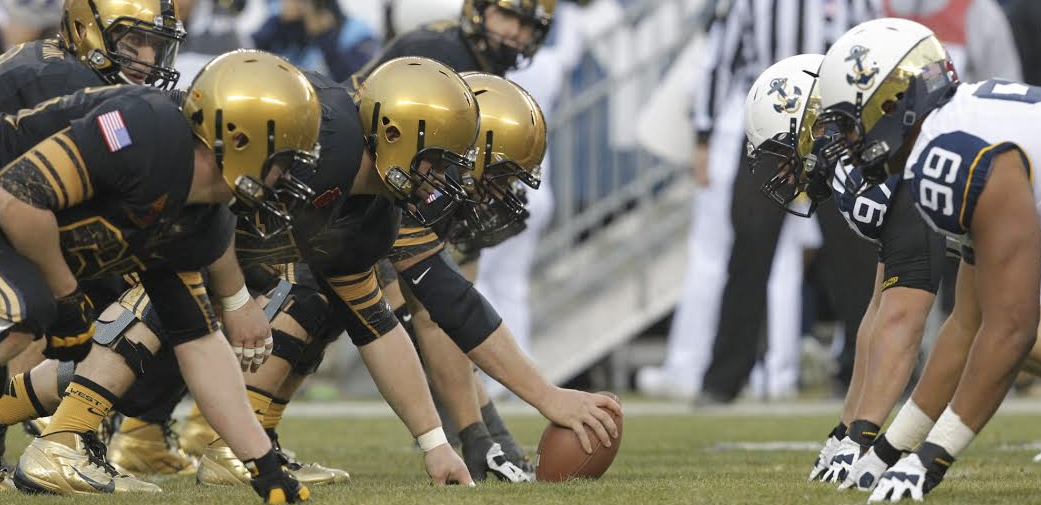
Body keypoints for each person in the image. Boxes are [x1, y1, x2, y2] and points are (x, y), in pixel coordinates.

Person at [3, 49, 321, 503]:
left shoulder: (204, 216)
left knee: (46, 310)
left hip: (24, 234)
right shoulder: (144, 129)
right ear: (240, 139)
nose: (287, 178)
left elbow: (201, 344)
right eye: (285, 162)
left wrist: (263, 466)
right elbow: (17, 200)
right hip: (10, 208)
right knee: (25, 310)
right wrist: (67, 298)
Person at [813, 18, 1040, 501]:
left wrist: (933, 458)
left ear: (892, 101)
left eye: (852, 124)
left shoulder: (946, 152)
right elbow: (966, 325)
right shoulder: (952, 129)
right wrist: (890, 451)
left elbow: (1011, 328)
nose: (849, 144)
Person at [651, 0, 878, 405]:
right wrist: (703, 135)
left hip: (833, 131)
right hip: (769, 131)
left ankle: (869, 371)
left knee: (853, 253)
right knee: (749, 255)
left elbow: (871, 54)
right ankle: (724, 378)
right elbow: (721, 60)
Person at [0, 0, 193, 475]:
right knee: (46, 305)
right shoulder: (63, 83)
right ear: (88, 32)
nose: (148, 59)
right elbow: (30, 209)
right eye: (134, 42)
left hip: (17, 214)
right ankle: (66, 434)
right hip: (15, 216)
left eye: (156, 45)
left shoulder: (66, 70)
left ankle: (74, 430)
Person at [740, 53, 948, 488]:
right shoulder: (853, 173)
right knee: (999, 331)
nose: (784, 170)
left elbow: (902, 320)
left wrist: (867, 441)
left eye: (784, 149)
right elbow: (878, 313)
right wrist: (846, 429)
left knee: (1003, 333)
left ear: (815, 123)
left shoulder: (869, 173)